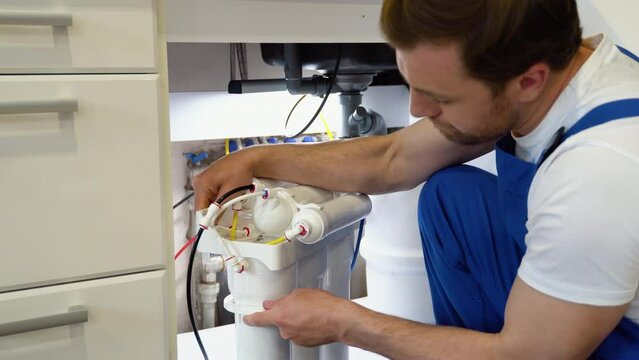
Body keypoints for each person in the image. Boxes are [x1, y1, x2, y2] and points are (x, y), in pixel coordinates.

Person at [194, 0, 639, 358]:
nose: (418, 111)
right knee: (451, 198)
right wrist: (255, 159)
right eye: (412, 84)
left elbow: (529, 355)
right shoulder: (562, 74)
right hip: (587, 274)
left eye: (442, 98)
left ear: (528, 81)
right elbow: (394, 158)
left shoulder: (599, 171)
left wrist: (348, 324)